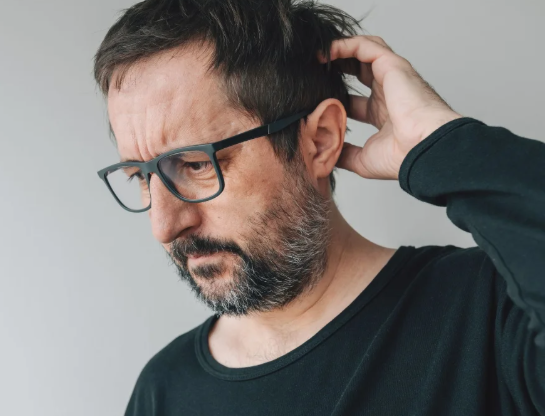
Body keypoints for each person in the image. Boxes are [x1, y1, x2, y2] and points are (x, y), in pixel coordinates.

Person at [92, 1, 544, 414]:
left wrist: (440, 143)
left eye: (195, 165)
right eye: (141, 177)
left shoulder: (489, 315)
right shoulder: (163, 390)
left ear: (321, 140)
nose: (164, 225)